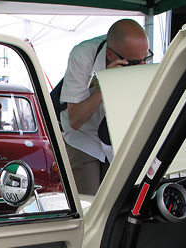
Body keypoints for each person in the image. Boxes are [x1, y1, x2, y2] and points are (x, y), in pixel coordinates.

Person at [60, 19, 152, 195]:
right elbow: (75, 120)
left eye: (146, 59)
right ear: (110, 55)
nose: (141, 67)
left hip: (115, 139)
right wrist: (105, 86)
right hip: (83, 138)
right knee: (90, 204)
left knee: (117, 199)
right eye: (134, 63)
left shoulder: (137, 57)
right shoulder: (82, 56)